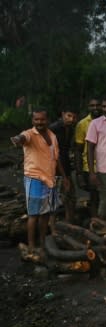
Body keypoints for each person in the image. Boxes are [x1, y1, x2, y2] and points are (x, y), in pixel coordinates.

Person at [10, 109, 69, 260]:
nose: (39, 122)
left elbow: (56, 159)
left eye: (42, 119)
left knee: (46, 213)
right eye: (36, 120)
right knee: (33, 214)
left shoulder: (52, 136)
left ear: (47, 120)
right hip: (34, 178)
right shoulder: (30, 134)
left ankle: (43, 243)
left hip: (50, 178)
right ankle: (31, 245)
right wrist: (17, 139)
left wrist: (64, 177)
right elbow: (22, 137)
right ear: (33, 121)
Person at [49, 106, 77, 222]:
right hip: (53, 169)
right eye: (69, 116)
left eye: (74, 117)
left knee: (70, 197)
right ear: (63, 114)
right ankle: (53, 229)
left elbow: (65, 151)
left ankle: (68, 222)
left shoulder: (70, 129)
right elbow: (52, 153)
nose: (71, 119)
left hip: (65, 167)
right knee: (54, 199)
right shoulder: (54, 129)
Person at [74, 98, 102, 216]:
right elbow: (78, 150)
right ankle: (95, 222)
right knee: (94, 196)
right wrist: (79, 173)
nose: (95, 108)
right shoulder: (82, 124)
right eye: (92, 105)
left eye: (97, 105)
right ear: (88, 107)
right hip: (89, 167)